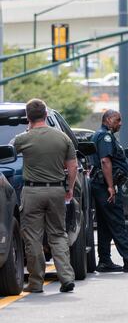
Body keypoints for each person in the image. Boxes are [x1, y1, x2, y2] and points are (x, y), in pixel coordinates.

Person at [14, 99, 77, 293]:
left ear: (28, 117)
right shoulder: (62, 138)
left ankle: (35, 282)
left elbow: (9, 152)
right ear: (46, 115)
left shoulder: (23, 139)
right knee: (58, 234)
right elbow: (72, 166)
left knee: (33, 238)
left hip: (32, 192)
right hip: (57, 190)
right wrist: (70, 188)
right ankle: (66, 277)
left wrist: (28, 129)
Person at [91, 110, 128, 273]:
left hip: (101, 185)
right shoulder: (105, 137)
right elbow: (105, 161)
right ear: (108, 119)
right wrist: (111, 186)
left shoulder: (102, 135)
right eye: (118, 120)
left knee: (105, 224)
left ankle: (104, 260)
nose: (120, 123)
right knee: (118, 223)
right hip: (105, 186)